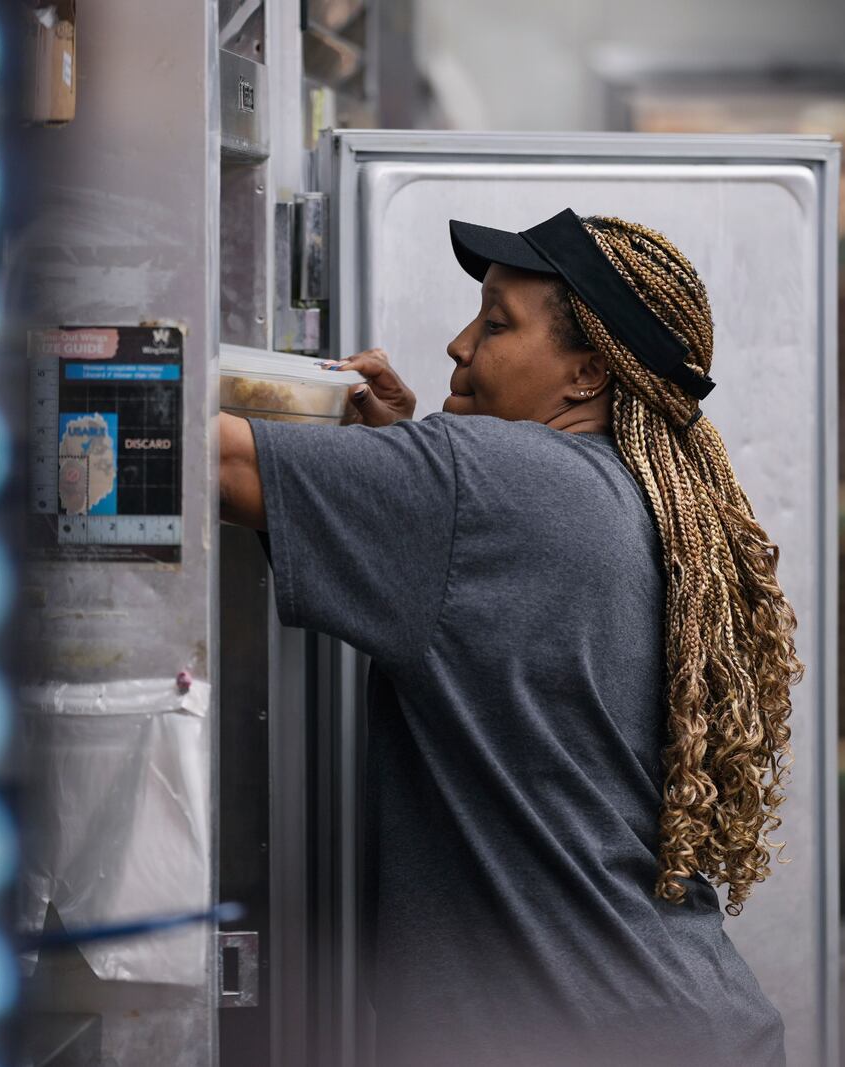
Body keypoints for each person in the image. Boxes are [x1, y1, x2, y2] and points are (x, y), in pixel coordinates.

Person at [217, 208, 802, 1066]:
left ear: (587, 373)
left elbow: (211, 456)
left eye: (496, 323)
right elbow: (476, 575)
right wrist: (396, 469)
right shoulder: (622, 495)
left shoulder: (491, 484)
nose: (459, 345)